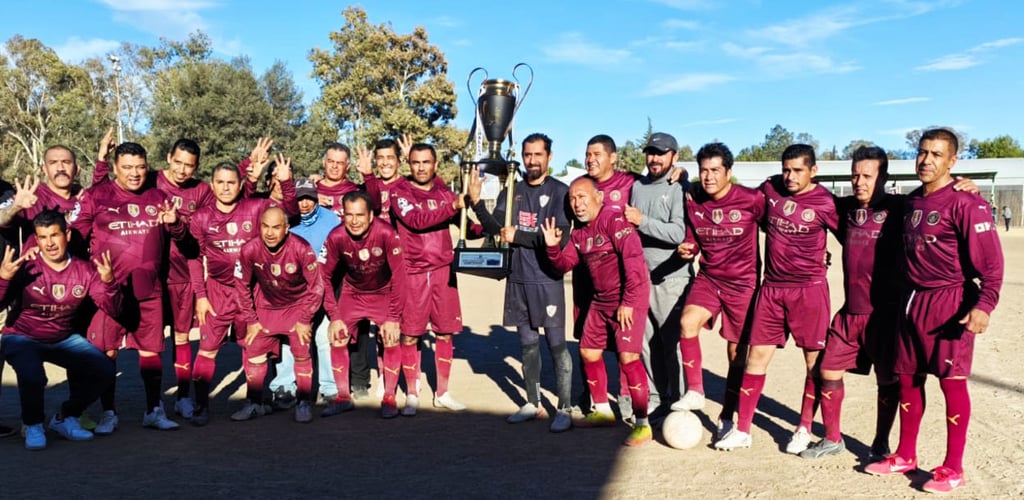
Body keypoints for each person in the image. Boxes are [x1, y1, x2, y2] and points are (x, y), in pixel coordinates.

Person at [865, 129, 1003, 494]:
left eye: (937, 154)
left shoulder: (967, 203)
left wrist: (984, 305)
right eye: (922, 152)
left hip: (949, 302)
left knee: (951, 382)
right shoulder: (911, 203)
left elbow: (992, 263)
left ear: (952, 162)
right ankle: (905, 455)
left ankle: (953, 468)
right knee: (908, 378)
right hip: (911, 302)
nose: (927, 160)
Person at [714, 144, 838, 453]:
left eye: (797, 171)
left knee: (813, 363)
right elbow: (737, 199)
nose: (790, 177)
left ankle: (805, 428)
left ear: (813, 170)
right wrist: (686, 183)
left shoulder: (826, 202)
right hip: (771, 290)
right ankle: (743, 430)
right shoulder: (769, 189)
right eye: (786, 170)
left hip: (809, 290)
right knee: (756, 358)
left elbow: (853, 233)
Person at [93, 131, 215, 421]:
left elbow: (225, 206)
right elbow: (104, 193)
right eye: (178, 162)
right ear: (168, 160)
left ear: (196, 167)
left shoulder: (201, 191)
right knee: (138, 343)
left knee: (180, 338)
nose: (183, 170)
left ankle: (182, 398)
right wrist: (100, 160)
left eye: (190, 165)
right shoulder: (150, 181)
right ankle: (127, 408)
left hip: (182, 276)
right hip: (144, 277)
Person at [72, 141, 186, 433]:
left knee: (151, 352)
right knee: (107, 353)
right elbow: (73, 241)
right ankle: (109, 413)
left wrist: (174, 224)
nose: (135, 173)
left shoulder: (159, 196)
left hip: (149, 291)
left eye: (140, 167)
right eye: (127, 167)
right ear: (114, 168)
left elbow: (183, 239)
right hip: (109, 292)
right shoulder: (95, 197)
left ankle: (153, 409)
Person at [799, 146, 902, 460]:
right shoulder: (843, 208)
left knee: (887, 380)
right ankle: (832, 438)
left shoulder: (901, 207)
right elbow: (803, 191)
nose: (859, 182)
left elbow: (941, 201)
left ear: (882, 177)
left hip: (884, 315)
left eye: (867, 176)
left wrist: (964, 184)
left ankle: (880, 443)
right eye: (855, 175)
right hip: (850, 312)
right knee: (827, 371)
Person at [467, 133, 574, 432]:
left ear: (550, 157)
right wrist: (476, 204)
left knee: (555, 345)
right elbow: (497, 230)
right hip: (518, 279)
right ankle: (533, 402)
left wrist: (520, 237)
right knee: (527, 344)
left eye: (538, 155)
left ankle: (564, 408)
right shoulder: (512, 189)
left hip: (547, 281)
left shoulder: (560, 193)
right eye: (528, 155)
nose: (532, 160)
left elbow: (558, 238)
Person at [542, 177, 652, 446]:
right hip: (601, 301)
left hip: (628, 299)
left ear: (599, 197)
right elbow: (564, 265)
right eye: (572, 199)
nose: (577, 204)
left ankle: (642, 423)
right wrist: (552, 247)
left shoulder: (614, 221)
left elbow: (634, 263)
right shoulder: (579, 233)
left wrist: (628, 301)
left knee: (628, 359)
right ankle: (602, 411)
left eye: (582, 197)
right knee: (588, 352)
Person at [189, 157, 297, 424]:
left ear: (241, 186)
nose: (226, 188)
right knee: (207, 349)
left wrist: (287, 182)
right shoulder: (201, 217)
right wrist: (201, 297)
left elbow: (291, 214)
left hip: (251, 291)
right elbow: (194, 258)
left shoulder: (257, 207)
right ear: (212, 186)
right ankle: (201, 406)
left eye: (231, 183)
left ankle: (254, 402)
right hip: (217, 291)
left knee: (254, 348)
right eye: (220, 183)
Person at [0, 211, 119, 450]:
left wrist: (108, 283)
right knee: (34, 376)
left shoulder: (85, 270)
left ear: (67, 234)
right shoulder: (25, 268)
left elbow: (112, 307)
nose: (50, 243)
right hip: (22, 337)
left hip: (62, 338)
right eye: (43, 237)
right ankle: (33, 424)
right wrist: (3, 278)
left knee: (104, 370)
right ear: (37, 239)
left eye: (55, 235)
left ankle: (65, 417)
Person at [674, 143, 762, 441]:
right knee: (687, 323)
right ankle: (696, 391)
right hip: (709, 278)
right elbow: (692, 236)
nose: (709, 177)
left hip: (743, 285)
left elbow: (778, 230)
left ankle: (727, 415)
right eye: (704, 170)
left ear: (729, 172)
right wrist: (690, 247)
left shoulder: (751, 200)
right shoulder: (693, 198)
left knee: (737, 354)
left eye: (715, 170)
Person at [389, 143, 481, 415]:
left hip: (443, 272)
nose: (420, 167)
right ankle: (413, 393)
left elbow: (466, 226)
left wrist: (488, 221)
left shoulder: (444, 193)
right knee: (409, 336)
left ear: (435, 165)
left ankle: (443, 393)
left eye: (426, 162)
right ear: (409, 163)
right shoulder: (400, 193)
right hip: (413, 273)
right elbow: (418, 220)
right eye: (415, 162)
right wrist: (455, 204)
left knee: (444, 332)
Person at [233, 206, 325, 423]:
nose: (270, 233)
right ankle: (254, 403)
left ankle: (303, 403)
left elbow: (316, 287)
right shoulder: (249, 249)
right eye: (265, 226)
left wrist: (305, 319)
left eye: (276, 227)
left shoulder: (302, 249)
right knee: (254, 350)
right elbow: (241, 286)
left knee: (302, 351)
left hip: (297, 307)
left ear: (286, 228)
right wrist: (251, 320)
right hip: (266, 306)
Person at [319, 191, 407, 418]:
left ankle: (389, 398)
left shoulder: (387, 233)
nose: (354, 221)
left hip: (382, 292)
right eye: (349, 215)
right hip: (353, 293)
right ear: (343, 216)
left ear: (371, 216)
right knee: (338, 335)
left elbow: (400, 276)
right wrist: (334, 315)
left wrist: (393, 317)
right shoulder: (336, 236)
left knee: (390, 337)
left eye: (360, 215)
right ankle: (342, 397)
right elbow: (323, 276)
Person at [623, 132, 691, 419]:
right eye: (651, 152)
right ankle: (656, 397)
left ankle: (679, 400)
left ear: (674, 156)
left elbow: (679, 233)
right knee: (645, 343)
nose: (654, 158)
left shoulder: (678, 187)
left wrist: (642, 221)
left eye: (661, 153)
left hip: (672, 279)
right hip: (641, 279)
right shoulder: (636, 186)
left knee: (670, 342)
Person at [267, 179, 340, 408]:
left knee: (322, 337)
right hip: (293, 290)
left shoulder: (331, 219)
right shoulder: (286, 220)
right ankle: (285, 387)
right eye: (300, 198)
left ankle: (329, 387)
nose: (304, 203)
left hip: (323, 285)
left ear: (317, 197)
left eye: (309, 197)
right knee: (289, 338)